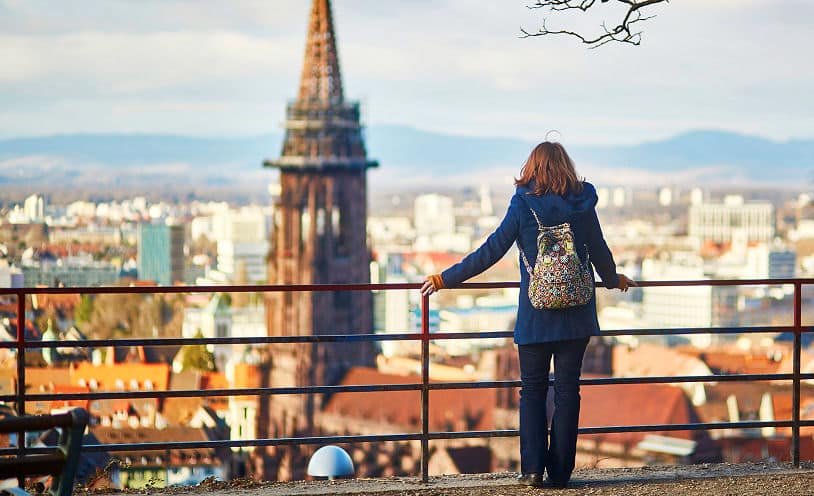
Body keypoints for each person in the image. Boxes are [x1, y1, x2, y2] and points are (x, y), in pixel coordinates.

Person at [421, 141, 635, 488]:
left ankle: (533, 471)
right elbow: (599, 250)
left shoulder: (523, 205)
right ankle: (561, 472)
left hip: (536, 317)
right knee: (568, 392)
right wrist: (613, 280)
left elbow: (490, 251)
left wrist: (445, 278)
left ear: (531, 169)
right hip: (577, 315)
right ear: (566, 167)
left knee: (532, 392)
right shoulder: (583, 204)